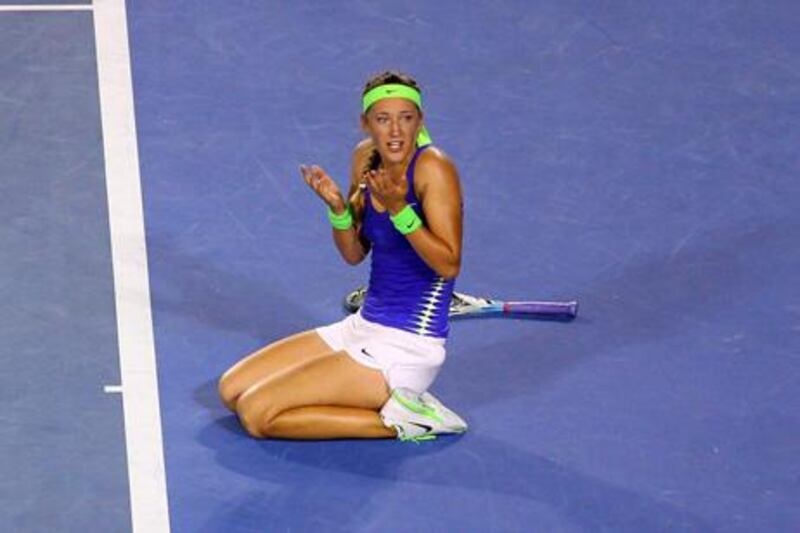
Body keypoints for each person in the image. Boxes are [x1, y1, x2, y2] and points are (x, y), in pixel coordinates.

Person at [218, 71, 467, 441]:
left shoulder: (434, 168)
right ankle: (369, 396)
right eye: (383, 119)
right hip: (364, 327)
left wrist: (401, 211)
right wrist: (337, 208)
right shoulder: (365, 158)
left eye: (406, 118)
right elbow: (354, 252)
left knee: (257, 413)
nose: (396, 131)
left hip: (408, 345)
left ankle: (409, 420)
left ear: (420, 120)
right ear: (366, 123)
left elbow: (448, 264)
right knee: (231, 389)